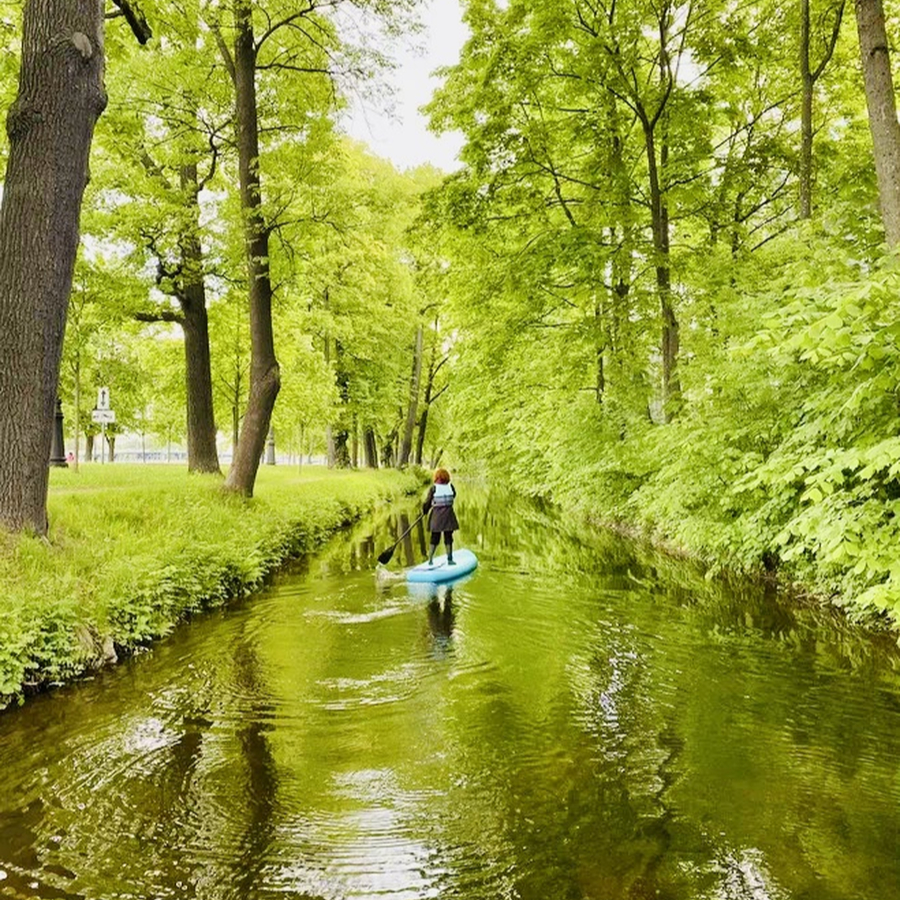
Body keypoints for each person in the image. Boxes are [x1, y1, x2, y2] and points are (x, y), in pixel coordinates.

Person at [422, 467, 459, 565]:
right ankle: (450, 559)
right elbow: (453, 495)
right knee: (448, 537)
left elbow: (427, 502)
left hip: (437, 517)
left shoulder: (433, 488)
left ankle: (430, 560)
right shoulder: (451, 487)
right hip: (448, 516)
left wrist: (425, 510)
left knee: (435, 537)